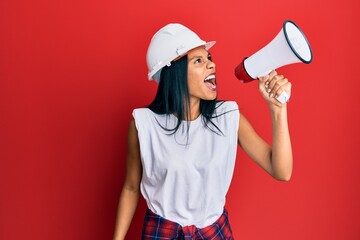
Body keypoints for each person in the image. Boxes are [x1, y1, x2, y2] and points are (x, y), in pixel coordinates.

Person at [113, 23, 293, 240]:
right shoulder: (144, 124)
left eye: (209, 58)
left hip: (213, 233)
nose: (211, 65)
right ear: (173, 74)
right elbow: (131, 187)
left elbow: (282, 171)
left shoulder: (228, 117)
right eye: (199, 60)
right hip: (161, 233)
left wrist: (278, 110)